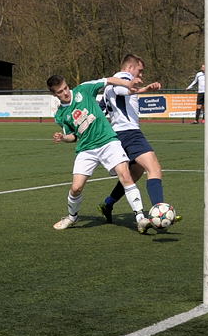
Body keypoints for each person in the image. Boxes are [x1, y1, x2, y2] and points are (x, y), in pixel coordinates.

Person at [47, 73, 154, 234]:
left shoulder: (84, 89)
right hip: (86, 149)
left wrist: (128, 83)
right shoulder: (61, 115)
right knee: (76, 188)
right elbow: (73, 136)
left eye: (66, 88)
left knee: (125, 175)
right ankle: (72, 217)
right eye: (60, 92)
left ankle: (140, 218)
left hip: (108, 141)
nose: (66, 93)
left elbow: (108, 80)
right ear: (54, 94)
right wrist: (63, 138)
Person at [96, 54, 175, 225]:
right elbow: (123, 89)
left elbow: (103, 105)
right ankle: (160, 213)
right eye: (140, 71)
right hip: (130, 133)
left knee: (135, 172)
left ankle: (108, 203)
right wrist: (130, 86)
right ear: (130, 68)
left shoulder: (110, 84)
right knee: (154, 168)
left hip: (117, 134)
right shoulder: (123, 78)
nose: (141, 75)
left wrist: (145, 89)